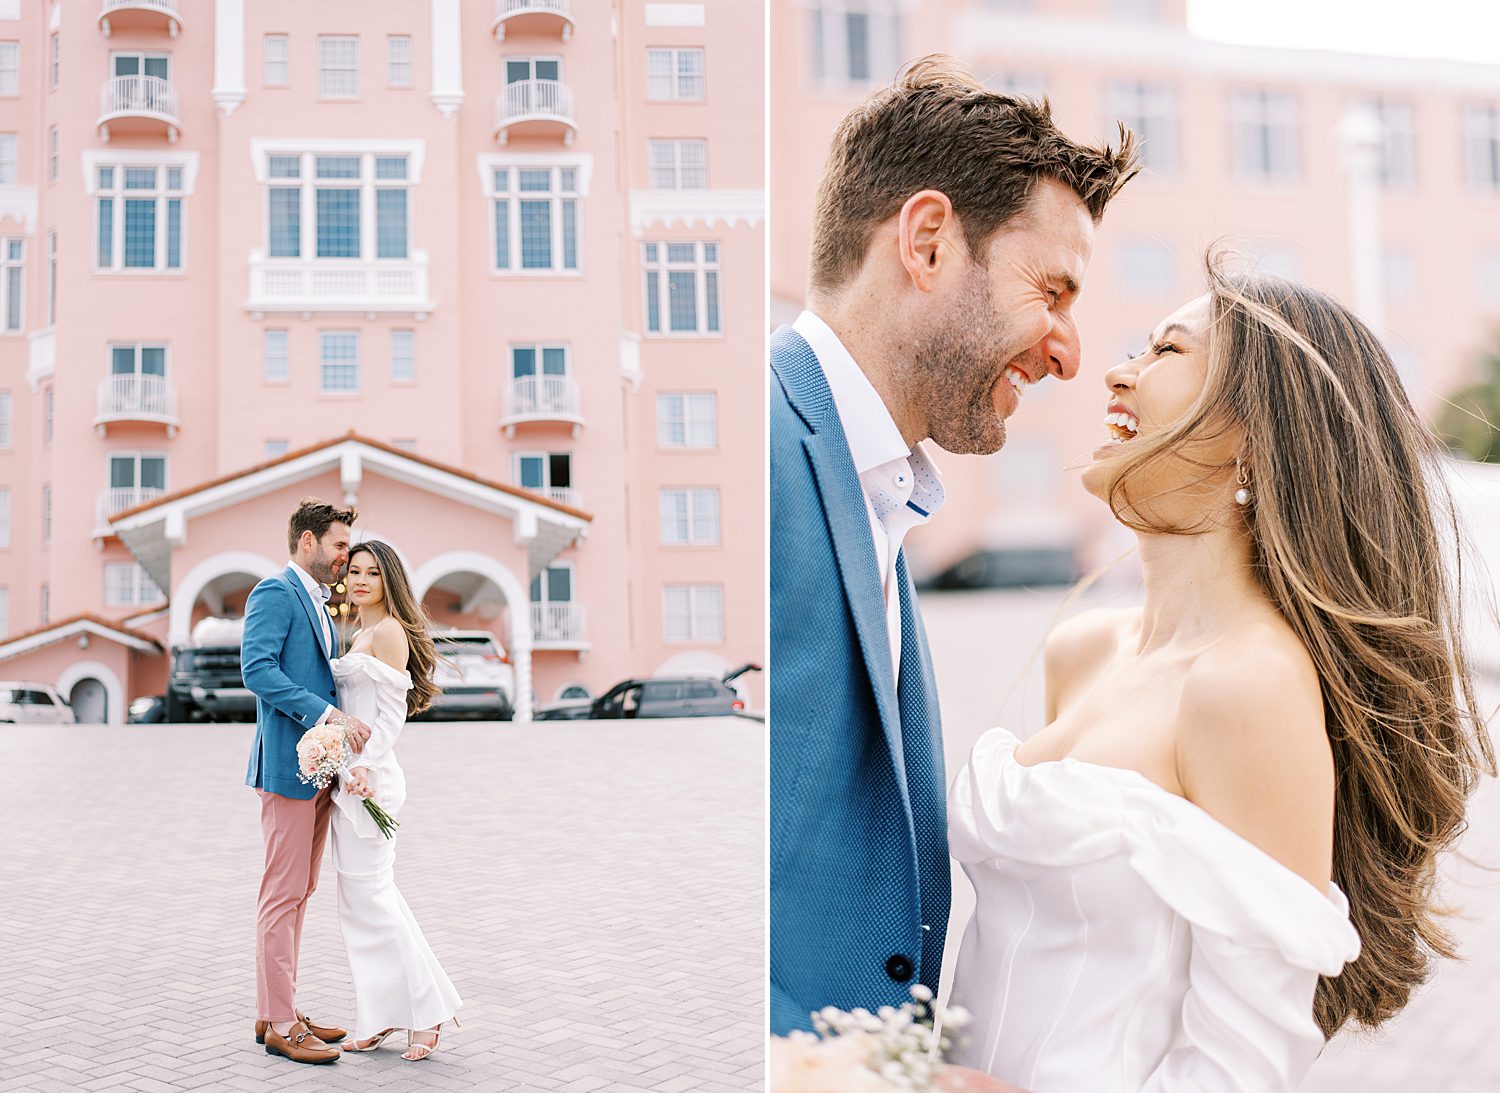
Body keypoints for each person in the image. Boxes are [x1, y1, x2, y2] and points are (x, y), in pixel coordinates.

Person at [948, 259, 1495, 1091]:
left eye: (1167, 350)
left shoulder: (1249, 687)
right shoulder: (1085, 649)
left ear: (1253, 432)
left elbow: (1245, 1066)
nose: (1118, 370)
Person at [767, 49, 1139, 1058]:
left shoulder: (874, 486)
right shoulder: (755, 447)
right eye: (1051, 290)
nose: (1067, 349)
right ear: (928, 242)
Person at [243, 497, 373, 1065]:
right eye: (340, 544)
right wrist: (327, 715)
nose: (346, 555)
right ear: (307, 543)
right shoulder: (275, 592)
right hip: (288, 768)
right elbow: (257, 669)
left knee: (301, 893)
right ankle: (278, 1022)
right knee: (281, 896)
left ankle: (282, 1009)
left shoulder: (321, 601)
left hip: (318, 769)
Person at [330, 539, 462, 1061]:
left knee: (372, 903)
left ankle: (425, 1016)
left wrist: (363, 766)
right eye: (355, 572)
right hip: (350, 781)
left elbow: (390, 715)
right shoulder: (360, 631)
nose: (361, 580)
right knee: (361, 905)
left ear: (390, 582)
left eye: (373, 573)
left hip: (371, 781)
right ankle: (383, 1015)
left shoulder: (388, 632)